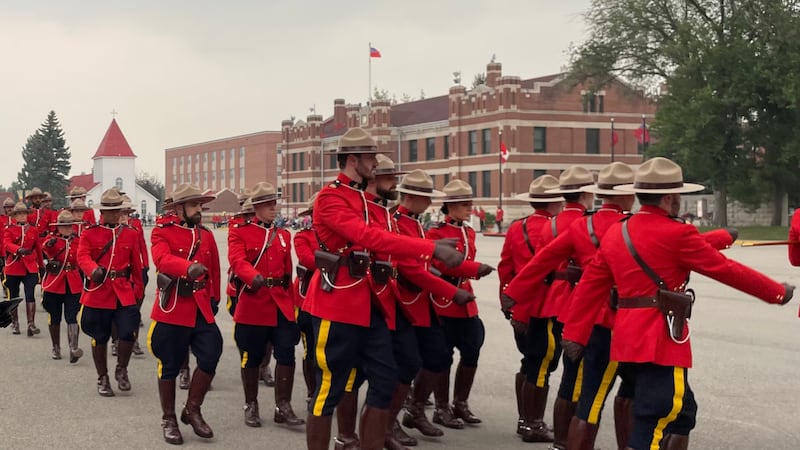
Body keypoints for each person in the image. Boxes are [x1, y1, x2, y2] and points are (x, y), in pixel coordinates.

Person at [554, 157, 794, 450]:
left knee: (675, 411)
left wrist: (575, 334)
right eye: (678, 195)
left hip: (625, 337)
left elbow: (591, 285)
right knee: (657, 416)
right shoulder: (677, 232)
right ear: (669, 197)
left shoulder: (619, 230)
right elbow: (725, 269)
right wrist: (776, 292)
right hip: (659, 338)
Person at [305, 127, 465, 450]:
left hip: (371, 304)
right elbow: (369, 237)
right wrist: (431, 250)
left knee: (386, 380)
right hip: (337, 302)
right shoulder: (330, 198)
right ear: (352, 161)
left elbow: (391, 240)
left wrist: (424, 245)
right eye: (370, 158)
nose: (376, 164)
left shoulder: (365, 200)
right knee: (329, 389)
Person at [393, 170, 476, 441]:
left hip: (422, 301)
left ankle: (415, 409)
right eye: (424, 198)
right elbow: (411, 268)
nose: (429, 203)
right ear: (410, 197)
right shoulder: (396, 222)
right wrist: (452, 292)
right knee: (402, 364)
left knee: (438, 357)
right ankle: (389, 421)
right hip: (402, 301)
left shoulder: (416, 223)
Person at [148, 183, 222, 445]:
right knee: (169, 363)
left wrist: (214, 298)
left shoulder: (207, 235)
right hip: (175, 305)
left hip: (201, 305)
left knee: (212, 353)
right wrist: (187, 267)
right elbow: (162, 260)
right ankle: (169, 418)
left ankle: (192, 409)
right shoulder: (161, 232)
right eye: (193, 205)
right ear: (179, 209)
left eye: (200, 205)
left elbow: (213, 270)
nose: (199, 210)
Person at [228, 182, 304, 428]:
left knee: (286, 354)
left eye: (275, 203)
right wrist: (252, 276)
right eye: (269, 204)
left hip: (280, 303)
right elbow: (237, 261)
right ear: (257, 207)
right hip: (254, 302)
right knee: (251, 357)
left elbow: (287, 272)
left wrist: (292, 308)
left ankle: (283, 405)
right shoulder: (239, 231)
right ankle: (251, 404)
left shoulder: (283, 235)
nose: (274, 208)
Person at [497, 174, 564, 442]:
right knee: (542, 365)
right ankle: (532, 423)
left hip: (521, 306)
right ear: (554, 203)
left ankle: (525, 419)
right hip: (546, 306)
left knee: (529, 363)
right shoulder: (553, 228)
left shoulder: (517, 227)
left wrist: (508, 301)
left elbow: (505, 268)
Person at [425, 179, 495, 429]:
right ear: (450, 206)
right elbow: (444, 265)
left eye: (470, 204)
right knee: (442, 355)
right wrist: (476, 268)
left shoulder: (469, 231)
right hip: (444, 298)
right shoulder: (435, 234)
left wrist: (471, 272)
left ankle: (460, 403)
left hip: (465, 299)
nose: (469, 209)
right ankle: (441, 407)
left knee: (472, 349)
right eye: (464, 205)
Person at [77, 189, 144, 397]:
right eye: (111, 211)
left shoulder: (130, 234)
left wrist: (138, 289)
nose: (115, 214)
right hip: (99, 290)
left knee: (128, 332)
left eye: (118, 210)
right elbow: (82, 256)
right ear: (102, 213)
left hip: (123, 290)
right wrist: (92, 270)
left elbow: (136, 264)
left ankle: (121, 369)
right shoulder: (90, 233)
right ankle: (102, 377)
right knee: (100, 336)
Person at [41, 210, 84, 362]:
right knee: (55, 316)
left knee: (72, 316)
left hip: (73, 282)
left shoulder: (79, 240)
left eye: (69, 226)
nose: (67, 229)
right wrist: (49, 244)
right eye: (63, 226)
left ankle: (73, 348)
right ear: (58, 227)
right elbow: (45, 248)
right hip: (55, 282)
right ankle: (56, 347)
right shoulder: (52, 239)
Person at [2, 202, 43, 335]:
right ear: (14, 216)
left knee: (30, 294)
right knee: (13, 296)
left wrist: (41, 266)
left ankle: (31, 324)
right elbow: (6, 244)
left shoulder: (33, 230)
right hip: (14, 266)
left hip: (29, 267)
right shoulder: (9, 229)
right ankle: (15, 323)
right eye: (19, 214)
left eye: (24, 213)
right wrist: (18, 249)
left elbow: (38, 249)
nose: (22, 216)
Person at [293, 193, 318, 408]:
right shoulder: (303, 236)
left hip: (336, 300)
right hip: (308, 301)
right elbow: (308, 260)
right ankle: (313, 391)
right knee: (311, 348)